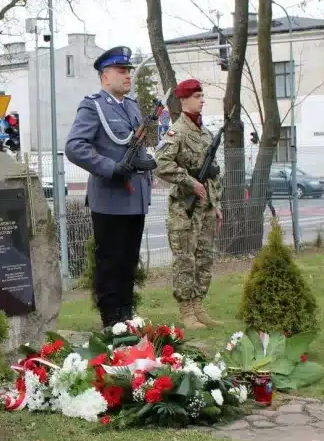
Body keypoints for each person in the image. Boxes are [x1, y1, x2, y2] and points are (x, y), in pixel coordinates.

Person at [66, 46, 158, 328]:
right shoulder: (93, 106)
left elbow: (135, 147)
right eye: (121, 71)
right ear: (105, 77)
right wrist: (110, 167)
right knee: (110, 263)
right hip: (110, 198)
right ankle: (111, 323)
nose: (128, 75)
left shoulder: (131, 106)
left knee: (129, 262)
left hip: (135, 198)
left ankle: (126, 319)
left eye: (128, 70)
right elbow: (74, 147)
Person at [154, 78, 223, 330]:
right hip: (185, 209)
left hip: (205, 207)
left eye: (202, 96)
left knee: (204, 258)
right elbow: (161, 163)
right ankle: (186, 311)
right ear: (183, 100)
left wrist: (216, 204)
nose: (202, 100)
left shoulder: (205, 133)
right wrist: (189, 182)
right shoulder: (177, 131)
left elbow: (213, 172)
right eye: (197, 96)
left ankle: (198, 306)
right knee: (185, 260)